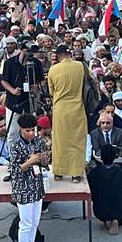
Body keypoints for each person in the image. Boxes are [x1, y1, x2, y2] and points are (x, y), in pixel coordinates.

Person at [48, 44, 86, 182]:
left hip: (60, 109)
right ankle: (76, 173)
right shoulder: (80, 66)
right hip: (77, 107)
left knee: (59, 141)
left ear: (59, 56)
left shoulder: (53, 69)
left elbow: (51, 91)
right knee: (77, 140)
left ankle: (59, 172)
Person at [10, 114, 47, 242]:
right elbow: (15, 171)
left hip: (37, 186)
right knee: (26, 224)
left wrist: (43, 160)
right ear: (21, 129)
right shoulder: (16, 146)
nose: (31, 133)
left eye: (33, 130)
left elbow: (44, 165)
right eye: (28, 130)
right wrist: (30, 161)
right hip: (23, 189)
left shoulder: (38, 141)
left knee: (35, 222)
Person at [0, 42, 44, 147]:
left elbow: (42, 80)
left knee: (32, 131)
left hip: (30, 100)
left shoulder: (36, 63)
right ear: (21, 49)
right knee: (13, 132)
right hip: (14, 101)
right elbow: (4, 81)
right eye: (27, 50)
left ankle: (32, 152)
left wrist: (37, 87)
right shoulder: (10, 62)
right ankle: (13, 155)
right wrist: (12, 90)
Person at [87, 144, 122, 235]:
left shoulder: (93, 173)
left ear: (101, 157)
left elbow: (91, 194)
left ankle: (103, 219)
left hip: (99, 210)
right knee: (119, 212)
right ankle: (115, 220)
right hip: (118, 211)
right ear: (115, 157)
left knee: (101, 201)